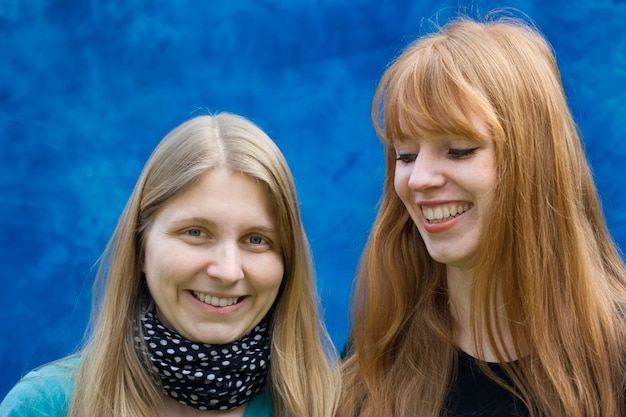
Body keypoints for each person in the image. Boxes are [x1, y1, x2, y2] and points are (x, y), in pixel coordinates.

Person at [338, 11, 626, 417]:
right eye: (405, 155)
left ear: (535, 159)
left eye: (458, 150)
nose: (418, 179)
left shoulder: (615, 356)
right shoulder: (381, 350)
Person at [1, 112, 340, 417]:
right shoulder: (44, 407)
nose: (227, 271)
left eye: (256, 240)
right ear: (141, 248)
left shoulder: (334, 405)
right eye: (196, 232)